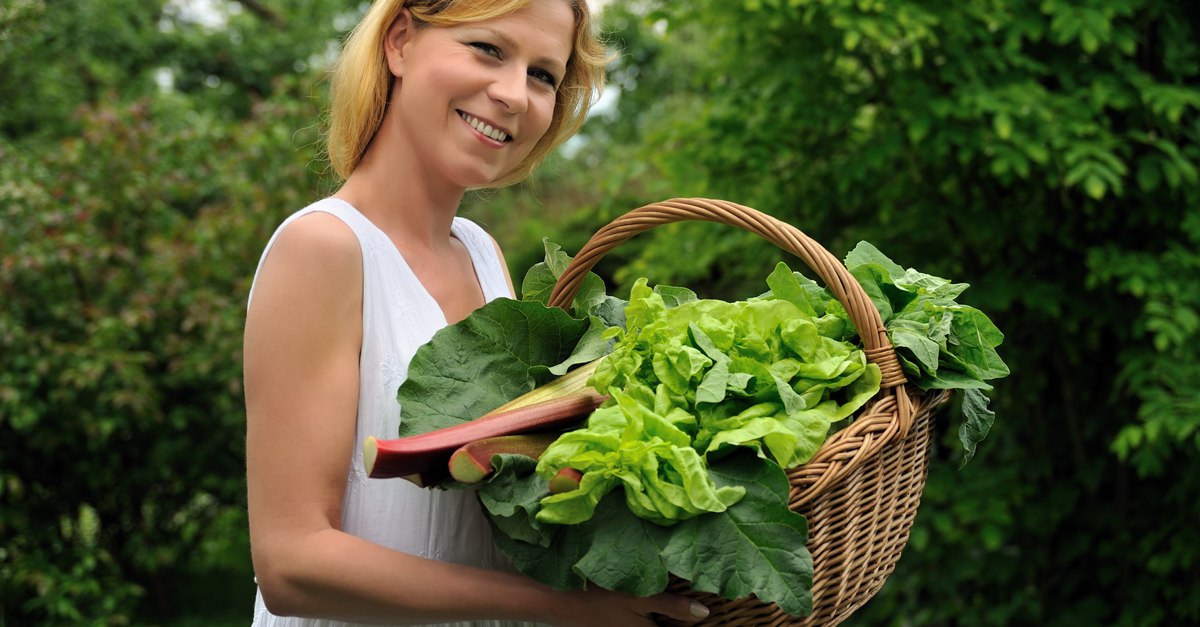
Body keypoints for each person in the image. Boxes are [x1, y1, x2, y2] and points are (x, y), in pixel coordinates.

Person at [242, 1, 711, 625]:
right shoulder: (324, 248)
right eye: (489, 49)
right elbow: (292, 564)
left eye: (542, 75)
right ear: (400, 41)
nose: (514, 94)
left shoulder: (481, 253)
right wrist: (565, 608)